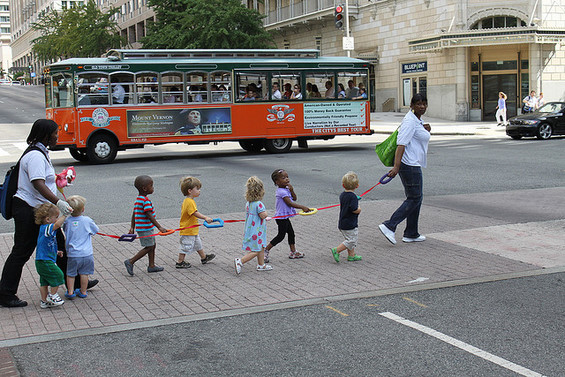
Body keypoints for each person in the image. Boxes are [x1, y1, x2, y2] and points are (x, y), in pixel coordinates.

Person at [0, 119, 73, 308]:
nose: (58, 135)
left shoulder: (40, 152)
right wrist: (59, 202)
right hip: (28, 209)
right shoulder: (35, 156)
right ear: (46, 135)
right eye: (56, 132)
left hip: (40, 209)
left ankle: (73, 281)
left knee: (59, 245)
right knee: (22, 251)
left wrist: (59, 179)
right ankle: (5, 294)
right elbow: (37, 182)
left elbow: (44, 179)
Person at [378, 93, 431, 245]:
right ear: (412, 106)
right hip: (409, 165)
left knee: (416, 198)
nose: (422, 106)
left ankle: (411, 233)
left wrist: (427, 128)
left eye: (424, 103)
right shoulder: (409, 121)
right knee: (415, 197)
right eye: (418, 104)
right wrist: (396, 167)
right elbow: (401, 145)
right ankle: (390, 225)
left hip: (413, 164)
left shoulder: (416, 120)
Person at [263, 169, 311, 263]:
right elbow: (290, 203)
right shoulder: (281, 191)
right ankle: (266, 250)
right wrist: (302, 207)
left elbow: (294, 198)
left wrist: (292, 190)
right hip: (281, 218)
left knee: (291, 233)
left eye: (287, 177)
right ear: (277, 182)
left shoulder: (286, 189)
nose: (287, 179)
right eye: (283, 178)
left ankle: (293, 252)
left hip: (285, 217)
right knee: (281, 236)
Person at [124, 175, 168, 276]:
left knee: (152, 245)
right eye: (151, 186)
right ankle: (131, 261)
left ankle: (151, 266)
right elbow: (149, 215)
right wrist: (159, 227)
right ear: (145, 188)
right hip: (145, 228)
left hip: (143, 227)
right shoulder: (145, 201)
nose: (153, 188)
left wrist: (132, 227)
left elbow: (134, 213)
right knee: (149, 246)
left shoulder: (138, 199)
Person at [234, 176, 272, 274]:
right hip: (257, 231)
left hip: (251, 229)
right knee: (256, 250)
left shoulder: (249, 203)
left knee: (261, 247)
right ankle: (240, 261)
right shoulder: (259, 204)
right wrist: (266, 215)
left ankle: (261, 264)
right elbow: (263, 215)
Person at [63, 195, 98, 299]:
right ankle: (83, 291)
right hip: (87, 253)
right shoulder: (87, 220)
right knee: (84, 273)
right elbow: (95, 230)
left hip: (73, 253)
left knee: (70, 274)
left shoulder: (67, 221)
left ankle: (70, 292)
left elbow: (65, 230)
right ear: (83, 209)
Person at [176, 177, 215, 269]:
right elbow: (194, 213)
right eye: (197, 189)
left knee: (198, 244)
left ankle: (204, 257)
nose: (199, 191)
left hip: (192, 229)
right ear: (190, 191)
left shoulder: (189, 201)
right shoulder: (189, 202)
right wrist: (205, 217)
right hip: (188, 229)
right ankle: (180, 262)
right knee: (185, 246)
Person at [34, 203, 66, 309]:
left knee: (44, 281)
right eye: (56, 217)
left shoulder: (45, 230)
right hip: (45, 261)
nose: (57, 220)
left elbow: (47, 245)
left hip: (43, 260)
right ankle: (53, 296)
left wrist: (56, 251)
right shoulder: (46, 228)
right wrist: (65, 215)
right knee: (58, 275)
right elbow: (57, 225)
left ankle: (44, 301)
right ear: (48, 219)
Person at [330, 172, 362, 263]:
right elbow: (354, 209)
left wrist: (355, 198)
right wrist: (359, 209)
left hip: (343, 222)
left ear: (343, 185)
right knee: (352, 240)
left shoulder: (343, 195)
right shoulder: (353, 197)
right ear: (357, 186)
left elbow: (348, 202)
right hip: (350, 223)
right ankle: (337, 250)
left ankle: (351, 255)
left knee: (350, 239)